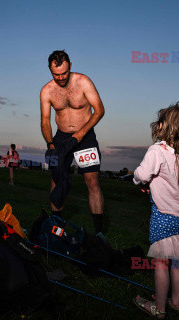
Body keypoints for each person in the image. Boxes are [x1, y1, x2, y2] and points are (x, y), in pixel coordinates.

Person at [132, 103, 179, 318]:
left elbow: (142, 175)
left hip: (163, 217)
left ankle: (159, 308)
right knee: (177, 263)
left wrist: (138, 179)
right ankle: (177, 303)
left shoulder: (157, 151)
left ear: (164, 127)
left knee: (161, 263)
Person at [40, 50, 106, 234]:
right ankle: (56, 228)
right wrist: (50, 144)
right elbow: (45, 120)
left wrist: (80, 134)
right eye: (56, 74)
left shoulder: (83, 82)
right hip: (60, 139)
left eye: (64, 73)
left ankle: (99, 233)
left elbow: (99, 110)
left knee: (92, 181)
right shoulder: (46, 90)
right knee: (56, 179)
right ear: (50, 70)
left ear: (70, 67)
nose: (61, 78)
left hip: (85, 137)